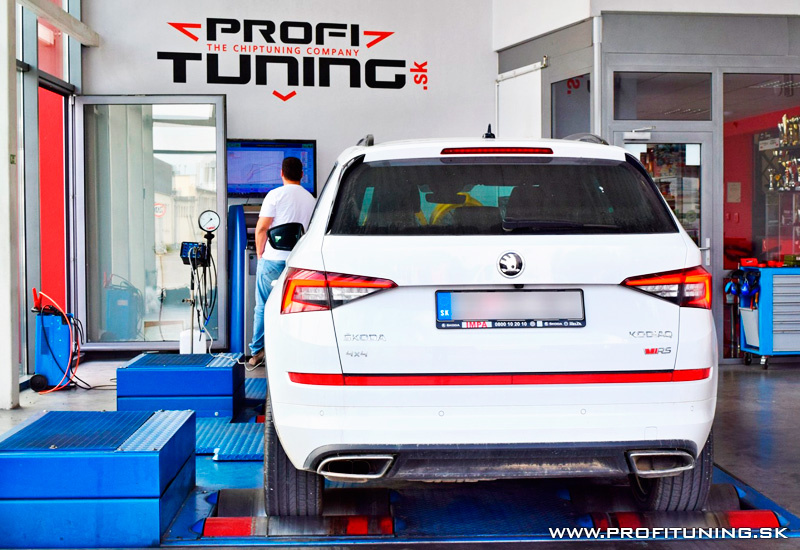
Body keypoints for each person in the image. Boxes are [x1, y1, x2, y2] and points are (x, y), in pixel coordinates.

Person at [248, 156, 316, 366]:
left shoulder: (275, 195)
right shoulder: (312, 200)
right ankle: (292, 351)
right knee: (297, 308)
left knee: (263, 306)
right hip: (298, 263)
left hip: (273, 260)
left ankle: (258, 352)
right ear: (302, 175)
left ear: (281, 173)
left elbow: (261, 228)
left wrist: (260, 254)